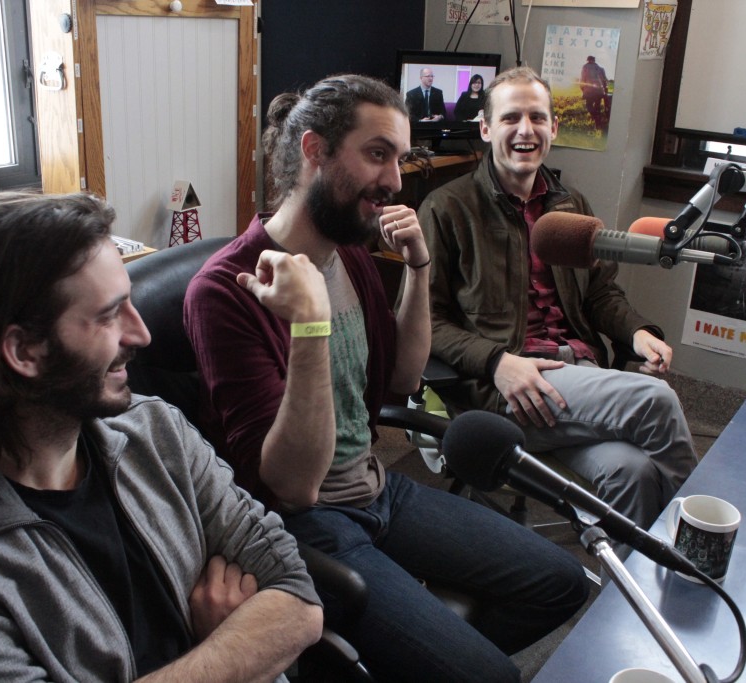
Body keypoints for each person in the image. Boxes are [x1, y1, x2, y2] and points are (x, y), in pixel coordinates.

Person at [184, 74, 588, 683]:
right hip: (305, 522)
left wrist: (419, 270)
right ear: (315, 151)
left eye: (399, 159)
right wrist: (310, 327)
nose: (395, 182)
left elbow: (401, 380)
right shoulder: (224, 290)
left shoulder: (348, 253)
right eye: (377, 155)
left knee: (562, 582)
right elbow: (292, 486)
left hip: (379, 490)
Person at [0, 193, 322, 682]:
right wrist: (216, 648)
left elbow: (298, 597)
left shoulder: (156, 430)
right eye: (109, 315)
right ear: (24, 351)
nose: (141, 334)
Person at [418, 66, 698, 537]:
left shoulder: (572, 207)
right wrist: (496, 362)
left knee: (632, 472)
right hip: (503, 391)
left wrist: (637, 332)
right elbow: (426, 321)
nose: (525, 130)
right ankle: (698, 546)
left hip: (579, 376)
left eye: (537, 118)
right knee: (655, 401)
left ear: (553, 128)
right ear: (486, 129)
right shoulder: (447, 209)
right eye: (510, 118)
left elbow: (601, 292)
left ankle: (630, 604)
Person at [579, 55, 609, 133]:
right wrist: (605, 90)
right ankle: (598, 120)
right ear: (594, 60)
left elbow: (582, 78)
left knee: (589, 105)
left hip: (589, 91)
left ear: (588, 60)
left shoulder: (585, 67)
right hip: (599, 91)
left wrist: (582, 88)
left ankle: (596, 118)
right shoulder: (600, 68)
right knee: (597, 106)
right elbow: (604, 80)